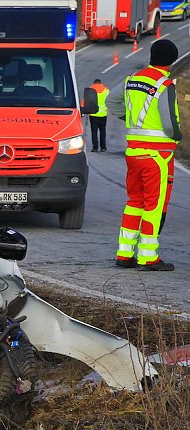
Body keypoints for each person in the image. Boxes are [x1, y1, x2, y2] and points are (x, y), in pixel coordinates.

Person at [106, 38, 182, 271]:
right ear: (171, 61)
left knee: (134, 202)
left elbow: (111, 101)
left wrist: (130, 121)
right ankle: (148, 257)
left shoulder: (132, 80)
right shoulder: (164, 84)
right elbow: (169, 123)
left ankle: (124, 253)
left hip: (134, 154)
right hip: (157, 156)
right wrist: (177, 136)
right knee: (153, 206)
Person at [88, 79, 109, 152]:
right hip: (103, 114)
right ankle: (103, 147)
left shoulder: (90, 90)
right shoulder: (106, 91)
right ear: (101, 83)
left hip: (93, 114)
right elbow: (109, 101)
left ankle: (95, 148)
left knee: (94, 132)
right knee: (102, 131)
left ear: (94, 83)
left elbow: (85, 101)